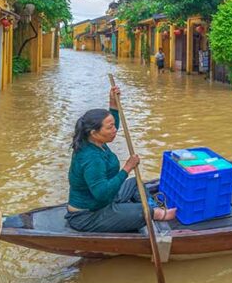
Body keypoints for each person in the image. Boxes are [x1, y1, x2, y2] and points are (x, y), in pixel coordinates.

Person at [66, 86, 177, 232]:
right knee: (141, 210)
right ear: (94, 132)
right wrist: (127, 168)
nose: (115, 130)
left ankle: (151, 207)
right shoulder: (92, 158)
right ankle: (154, 213)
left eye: (113, 126)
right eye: (110, 127)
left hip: (103, 201)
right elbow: (102, 194)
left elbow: (113, 125)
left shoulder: (95, 140)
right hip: (89, 214)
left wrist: (113, 103)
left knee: (135, 184)